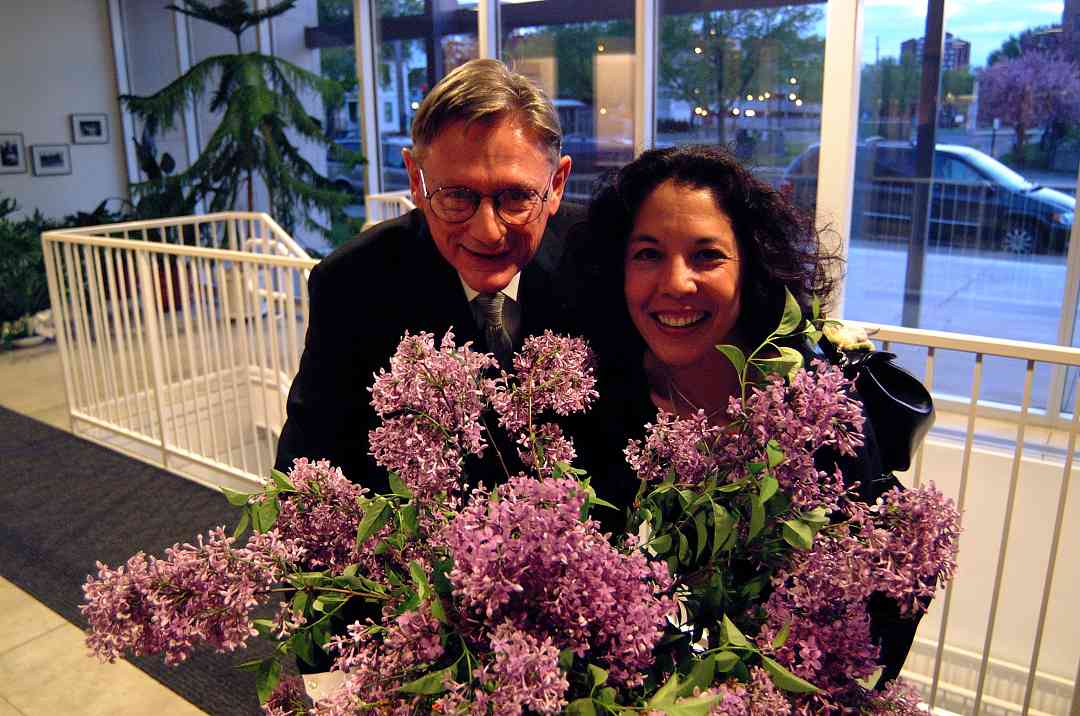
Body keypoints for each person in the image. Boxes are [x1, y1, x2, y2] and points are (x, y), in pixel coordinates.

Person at [575, 144, 919, 686]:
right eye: (647, 254)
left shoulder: (814, 408)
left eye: (706, 255)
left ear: (751, 265)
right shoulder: (599, 393)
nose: (676, 283)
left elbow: (872, 614)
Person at [274, 58, 587, 494]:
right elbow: (308, 465)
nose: (487, 231)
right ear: (416, 182)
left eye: (516, 197)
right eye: (456, 196)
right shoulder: (351, 283)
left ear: (556, 184)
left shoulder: (597, 256)